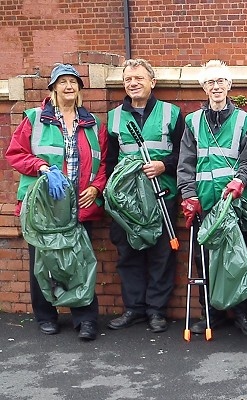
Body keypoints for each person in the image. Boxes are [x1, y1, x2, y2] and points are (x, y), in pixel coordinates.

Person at [6, 63, 108, 341]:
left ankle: (85, 320)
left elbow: (102, 164)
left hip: (79, 205)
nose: (68, 87)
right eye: (62, 82)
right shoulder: (36, 118)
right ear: (52, 88)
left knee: (81, 262)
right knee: (42, 261)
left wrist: (97, 188)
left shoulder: (92, 123)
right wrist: (41, 167)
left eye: (73, 82)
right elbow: (15, 153)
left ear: (79, 88)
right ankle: (46, 316)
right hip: (43, 208)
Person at [177, 60, 247, 336]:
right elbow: (186, 163)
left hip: (235, 205)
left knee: (239, 259)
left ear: (229, 85)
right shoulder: (192, 122)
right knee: (205, 260)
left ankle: (244, 314)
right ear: (204, 87)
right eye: (210, 82)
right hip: (204, 201)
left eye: (221, 81)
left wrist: (241, 180)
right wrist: (188, 195)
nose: (216, 87)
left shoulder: (244, 121)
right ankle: (210, 314)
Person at [106, 59, 185, 333]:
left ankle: (156, 311)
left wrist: (165, 165)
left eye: (139, 78)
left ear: (153, 81)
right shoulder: (115, 117)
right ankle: (134, 309)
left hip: (161, 194)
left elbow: (184, 155)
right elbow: (110, 160)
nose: (133, 83)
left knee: (162, 253)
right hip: (127, 201)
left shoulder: (171, 113)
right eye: (128, 79)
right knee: (128, 253)